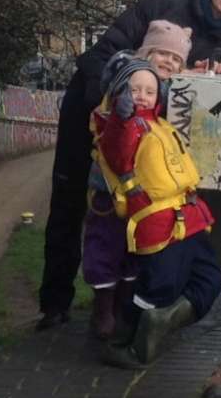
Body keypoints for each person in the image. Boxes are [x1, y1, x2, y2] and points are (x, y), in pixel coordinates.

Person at [38, 0, 221, 329]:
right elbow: (99, 55)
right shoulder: (164, 4)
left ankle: (120, 302)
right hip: (93, 109)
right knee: (72, 201)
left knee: (136, 211)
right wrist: (124, 98)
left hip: (146, 132)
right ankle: (55, 303)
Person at [92, 56, 221, 367]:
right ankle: (123, 344)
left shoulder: (160, 124)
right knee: (158, 287)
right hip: (159, 222)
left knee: (210, 279)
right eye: (134, 89)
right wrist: (122, 119)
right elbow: (117, 152)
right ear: (119, 92)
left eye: (149, 90)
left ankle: (160, 322)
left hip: (189, 216)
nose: (142, 96)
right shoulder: (120, 127)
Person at [82, 20, 193, 340]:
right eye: (163, 54)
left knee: (134, 254)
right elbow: (114, 138)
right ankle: (104, 310)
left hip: (142, 198)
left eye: (177, 59)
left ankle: (122, 311)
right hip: (109, 194)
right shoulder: (120, 95)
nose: (169, 62)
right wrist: (124, 112)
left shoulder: (162, 100)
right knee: (105, 249)